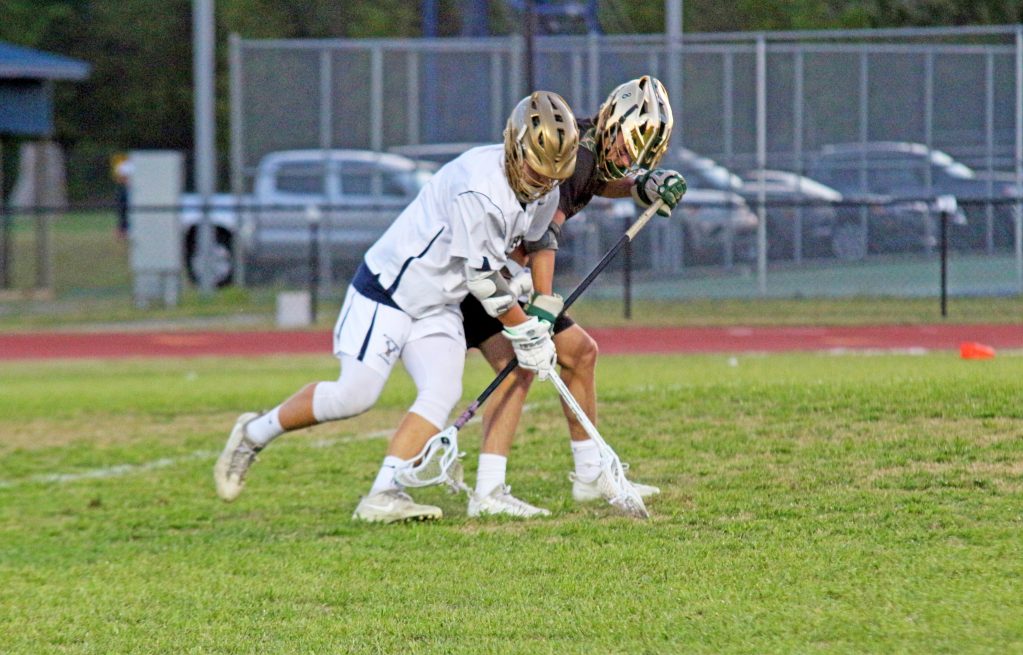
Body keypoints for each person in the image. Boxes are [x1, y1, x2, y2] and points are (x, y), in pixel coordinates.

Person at [214, 90, 580, 523]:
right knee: (354, 395)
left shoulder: (544, 188)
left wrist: (541, 303)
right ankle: (254, 432)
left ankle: (383, 493)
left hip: (439, 303)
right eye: (537, 170)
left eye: (552, 176)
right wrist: (524, 330)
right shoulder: (479, 186)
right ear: (514, 146)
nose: (542, 183)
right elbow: (482, 279)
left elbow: (537, 241)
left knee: (442, 391)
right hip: (389, 292)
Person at [460, 76, 687, 517]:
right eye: (627, 150)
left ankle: (588, 475)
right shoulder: (577, 157)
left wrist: (642, 187)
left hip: (507, 271)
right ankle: (487, 490)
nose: (629, 162)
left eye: (639, 158)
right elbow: (542, 235)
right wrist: (542, 304)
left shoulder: (589, 144)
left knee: (579, 353)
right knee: (514, 368)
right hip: (493, 275)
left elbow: (602, 181)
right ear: (612, 125)